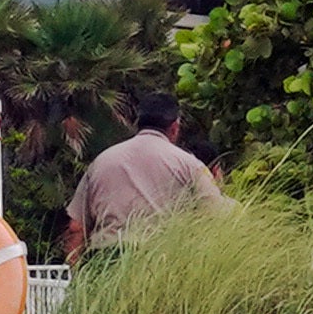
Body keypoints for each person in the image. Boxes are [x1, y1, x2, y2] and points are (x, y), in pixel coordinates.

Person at [58, 91, 227, 264]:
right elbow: (217, 215)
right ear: (175, 127)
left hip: (106, 262)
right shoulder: (188, 164)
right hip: (160, 263)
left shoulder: (101, 162)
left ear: (139, 123)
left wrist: (76, 273)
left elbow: (76, 227)